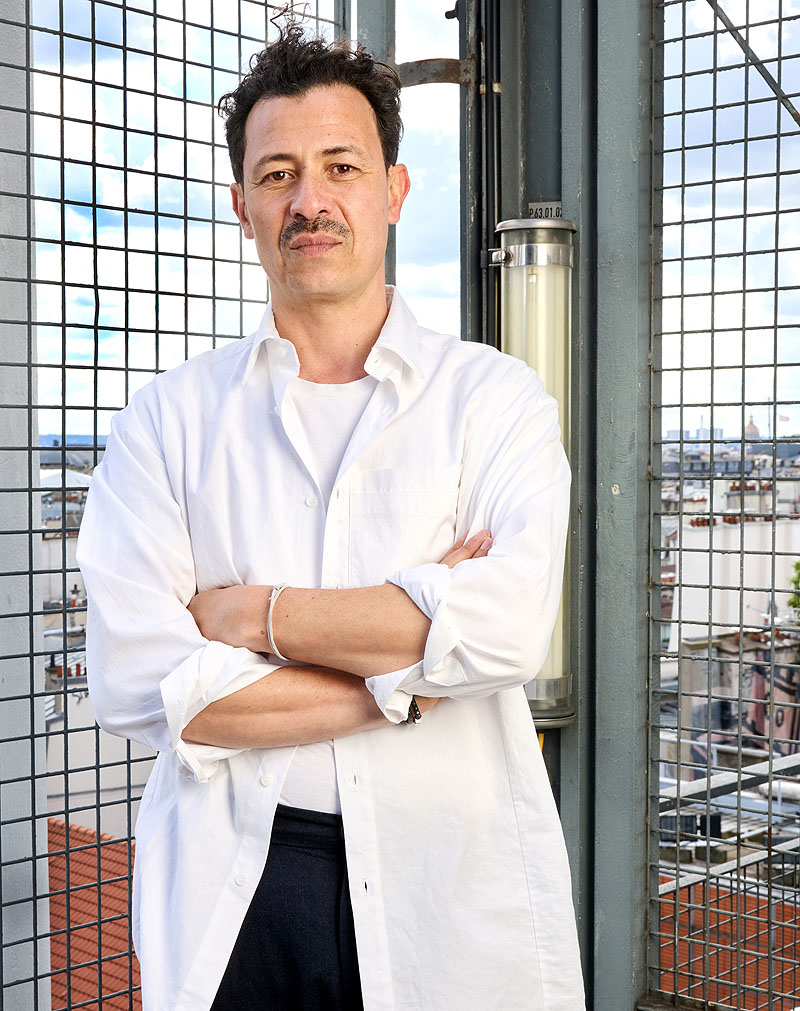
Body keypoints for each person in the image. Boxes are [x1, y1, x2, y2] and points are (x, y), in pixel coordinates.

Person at [77, 23, 585, 1011]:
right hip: (232, 889)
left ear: (393, 190)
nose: (309, 200)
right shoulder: (167, 421)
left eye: (340, 167)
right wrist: (408, 678)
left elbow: (505, 631)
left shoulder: (493, 399)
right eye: (278, 174)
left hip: (443, 878)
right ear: (242, 207)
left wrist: (251, 616)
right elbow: (139, 682)